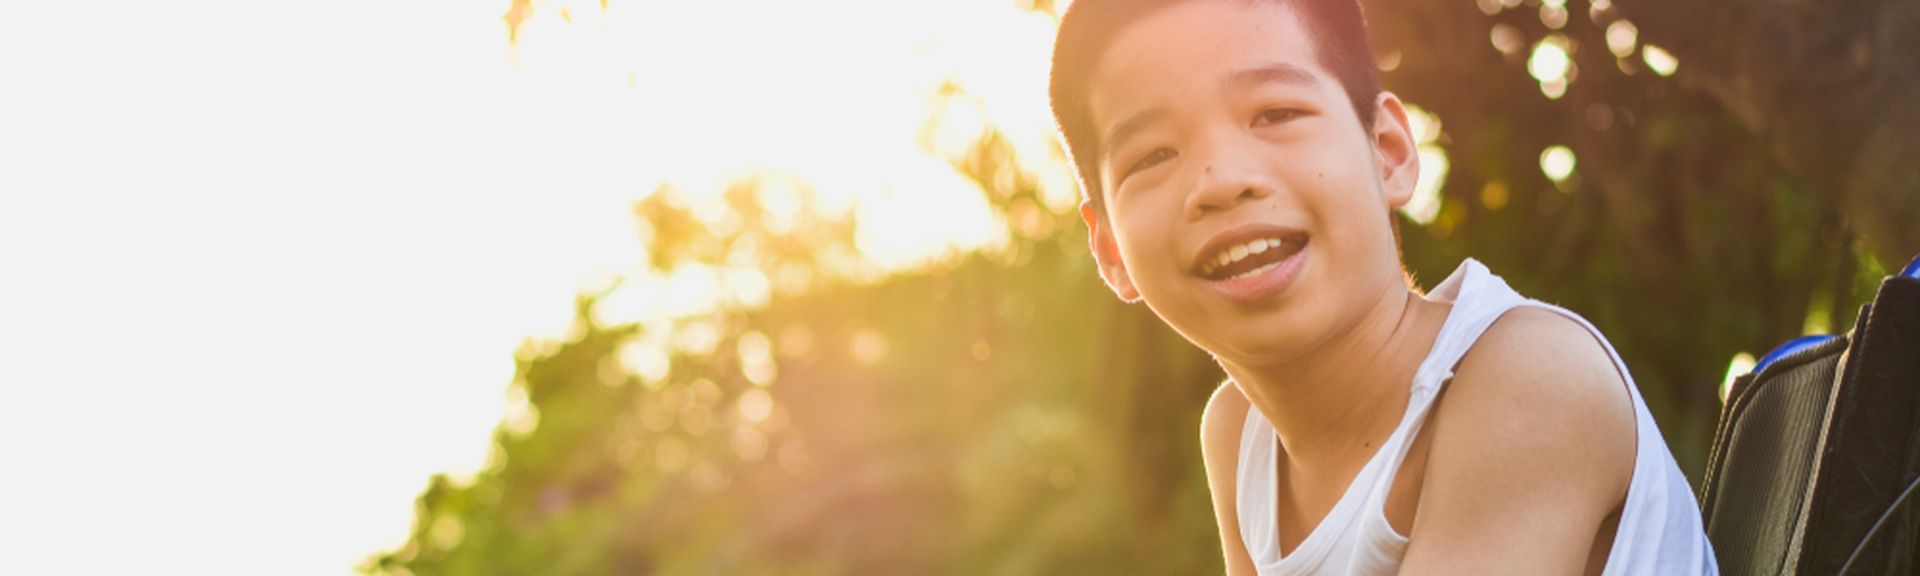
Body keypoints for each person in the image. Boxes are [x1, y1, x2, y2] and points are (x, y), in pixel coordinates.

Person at [1046, 1, 1718, 574]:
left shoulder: (1528, 377)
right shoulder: (1239, 435)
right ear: (1110, 249)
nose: (1222, 180)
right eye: (1153, 155)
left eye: (1276, 112)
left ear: (1388, 152)